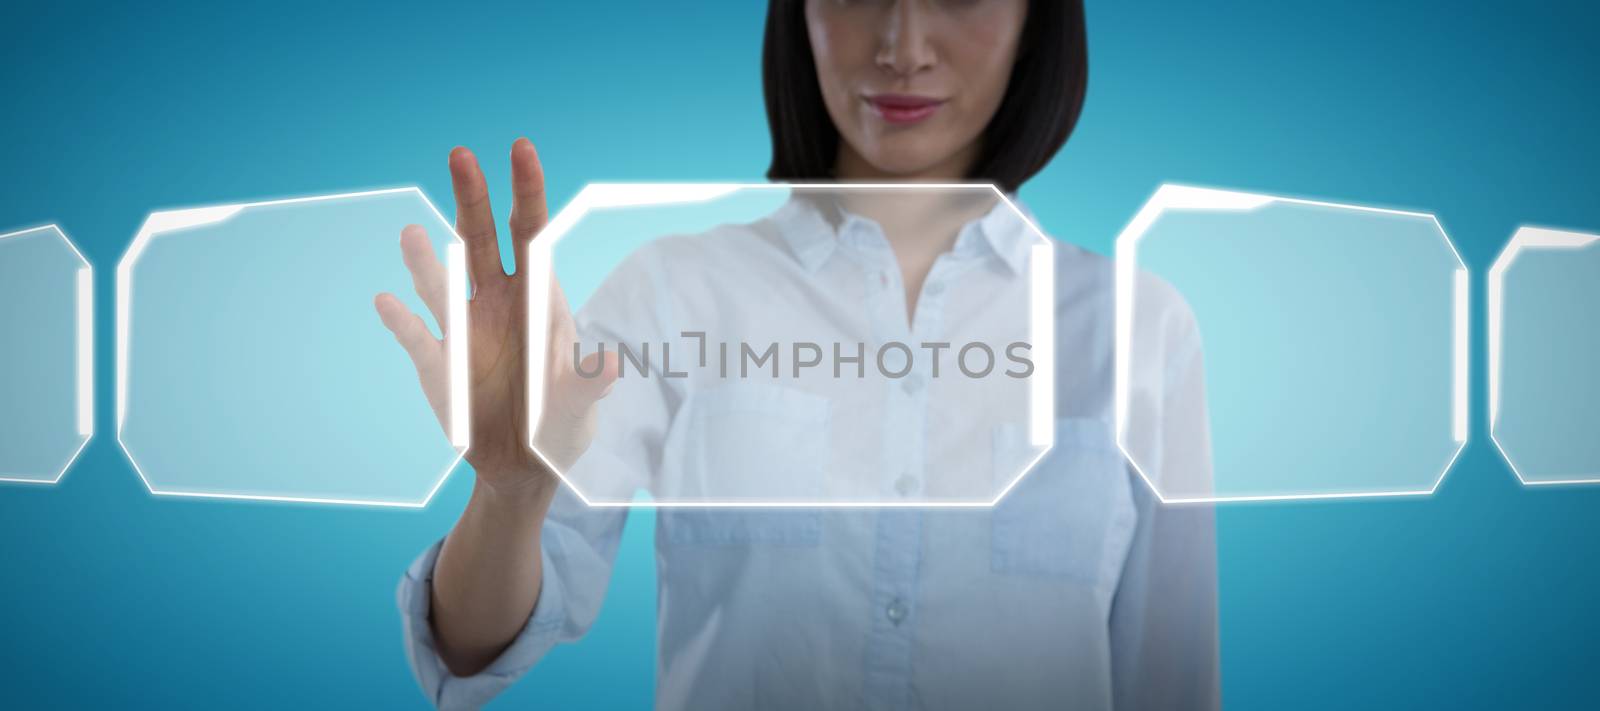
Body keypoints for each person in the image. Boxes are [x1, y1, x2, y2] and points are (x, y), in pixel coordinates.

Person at [374, 1, 1218, 709]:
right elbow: (470, 648)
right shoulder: (676, 294)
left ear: (1037, 22)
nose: (902, 48)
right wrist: (510, 492)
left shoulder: (1139, 329)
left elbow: (1172, 684)